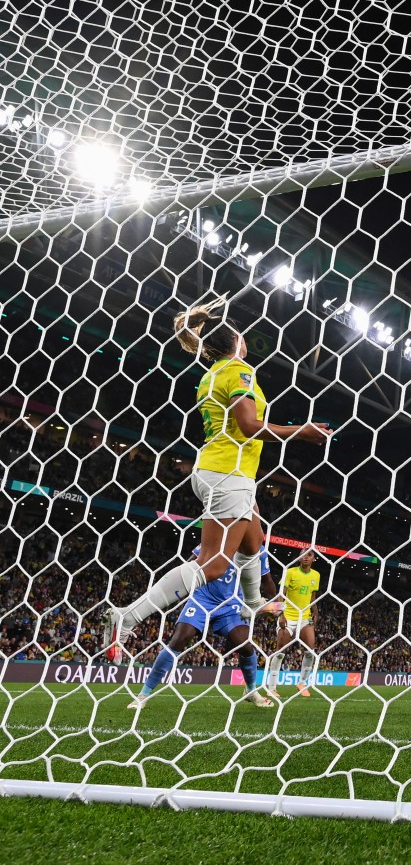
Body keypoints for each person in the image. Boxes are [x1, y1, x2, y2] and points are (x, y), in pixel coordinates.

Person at [103, 296, 332, 661]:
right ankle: (127, 616)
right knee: (213, 564)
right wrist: (301, 431)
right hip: (228, 473)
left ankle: (254, 603)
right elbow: (249, 425)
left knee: (253, 543)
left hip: (222, 471)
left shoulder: (211, 376)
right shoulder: (239, 371)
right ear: (237, 341)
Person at [128, 548, 274, 709]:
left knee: (245, 645)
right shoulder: (221, 535)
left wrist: (275, 605)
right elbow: (190, 564)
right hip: (202, 598)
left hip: (232, 603)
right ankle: (144, 693)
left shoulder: (257, 549)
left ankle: (251, 690)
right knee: (180, 639)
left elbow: (266, 580)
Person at [265, 546, 324, 700]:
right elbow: (281, 595)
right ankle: (271, 688)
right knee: (280, 652)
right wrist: (281, 614)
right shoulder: (290, 572)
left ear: (313, 559)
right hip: (288, 617)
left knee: (310, 651)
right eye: (302, 554)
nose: (305, 557)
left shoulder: (316, 575)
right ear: (299, 558)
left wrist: (315, 611)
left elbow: (312, 596)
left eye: (309, 555)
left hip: (304, 617)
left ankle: (302, 683)